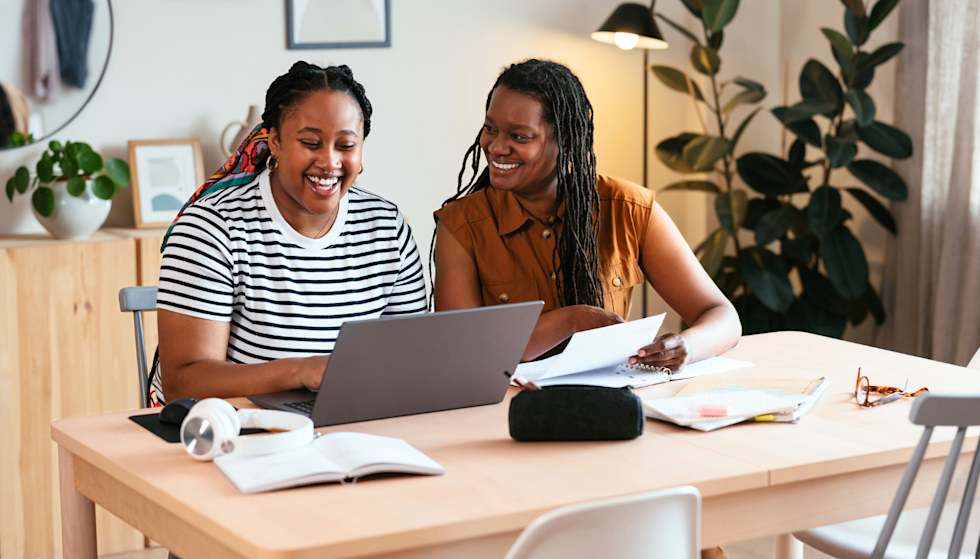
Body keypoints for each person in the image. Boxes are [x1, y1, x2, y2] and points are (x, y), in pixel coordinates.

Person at [433, 58, 741, 374]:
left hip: (611, 399)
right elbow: (462, 349)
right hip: (504, 408)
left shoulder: (630, 208)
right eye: (491, 129)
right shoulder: (461, 226)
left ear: (565, 141)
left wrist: (687, 346)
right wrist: (571, 320)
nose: (496, 147)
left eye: (519, 136)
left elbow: (722, 317)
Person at [156, 62, 426, 402]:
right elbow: (183, 384)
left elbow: (412, 360)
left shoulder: (387, 227)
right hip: (246, 436)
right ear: (276, 143)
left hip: (359, 429)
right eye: (311, 143)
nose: (329, 162)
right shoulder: (211, 228)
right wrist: (303, 371)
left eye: (345, 146)